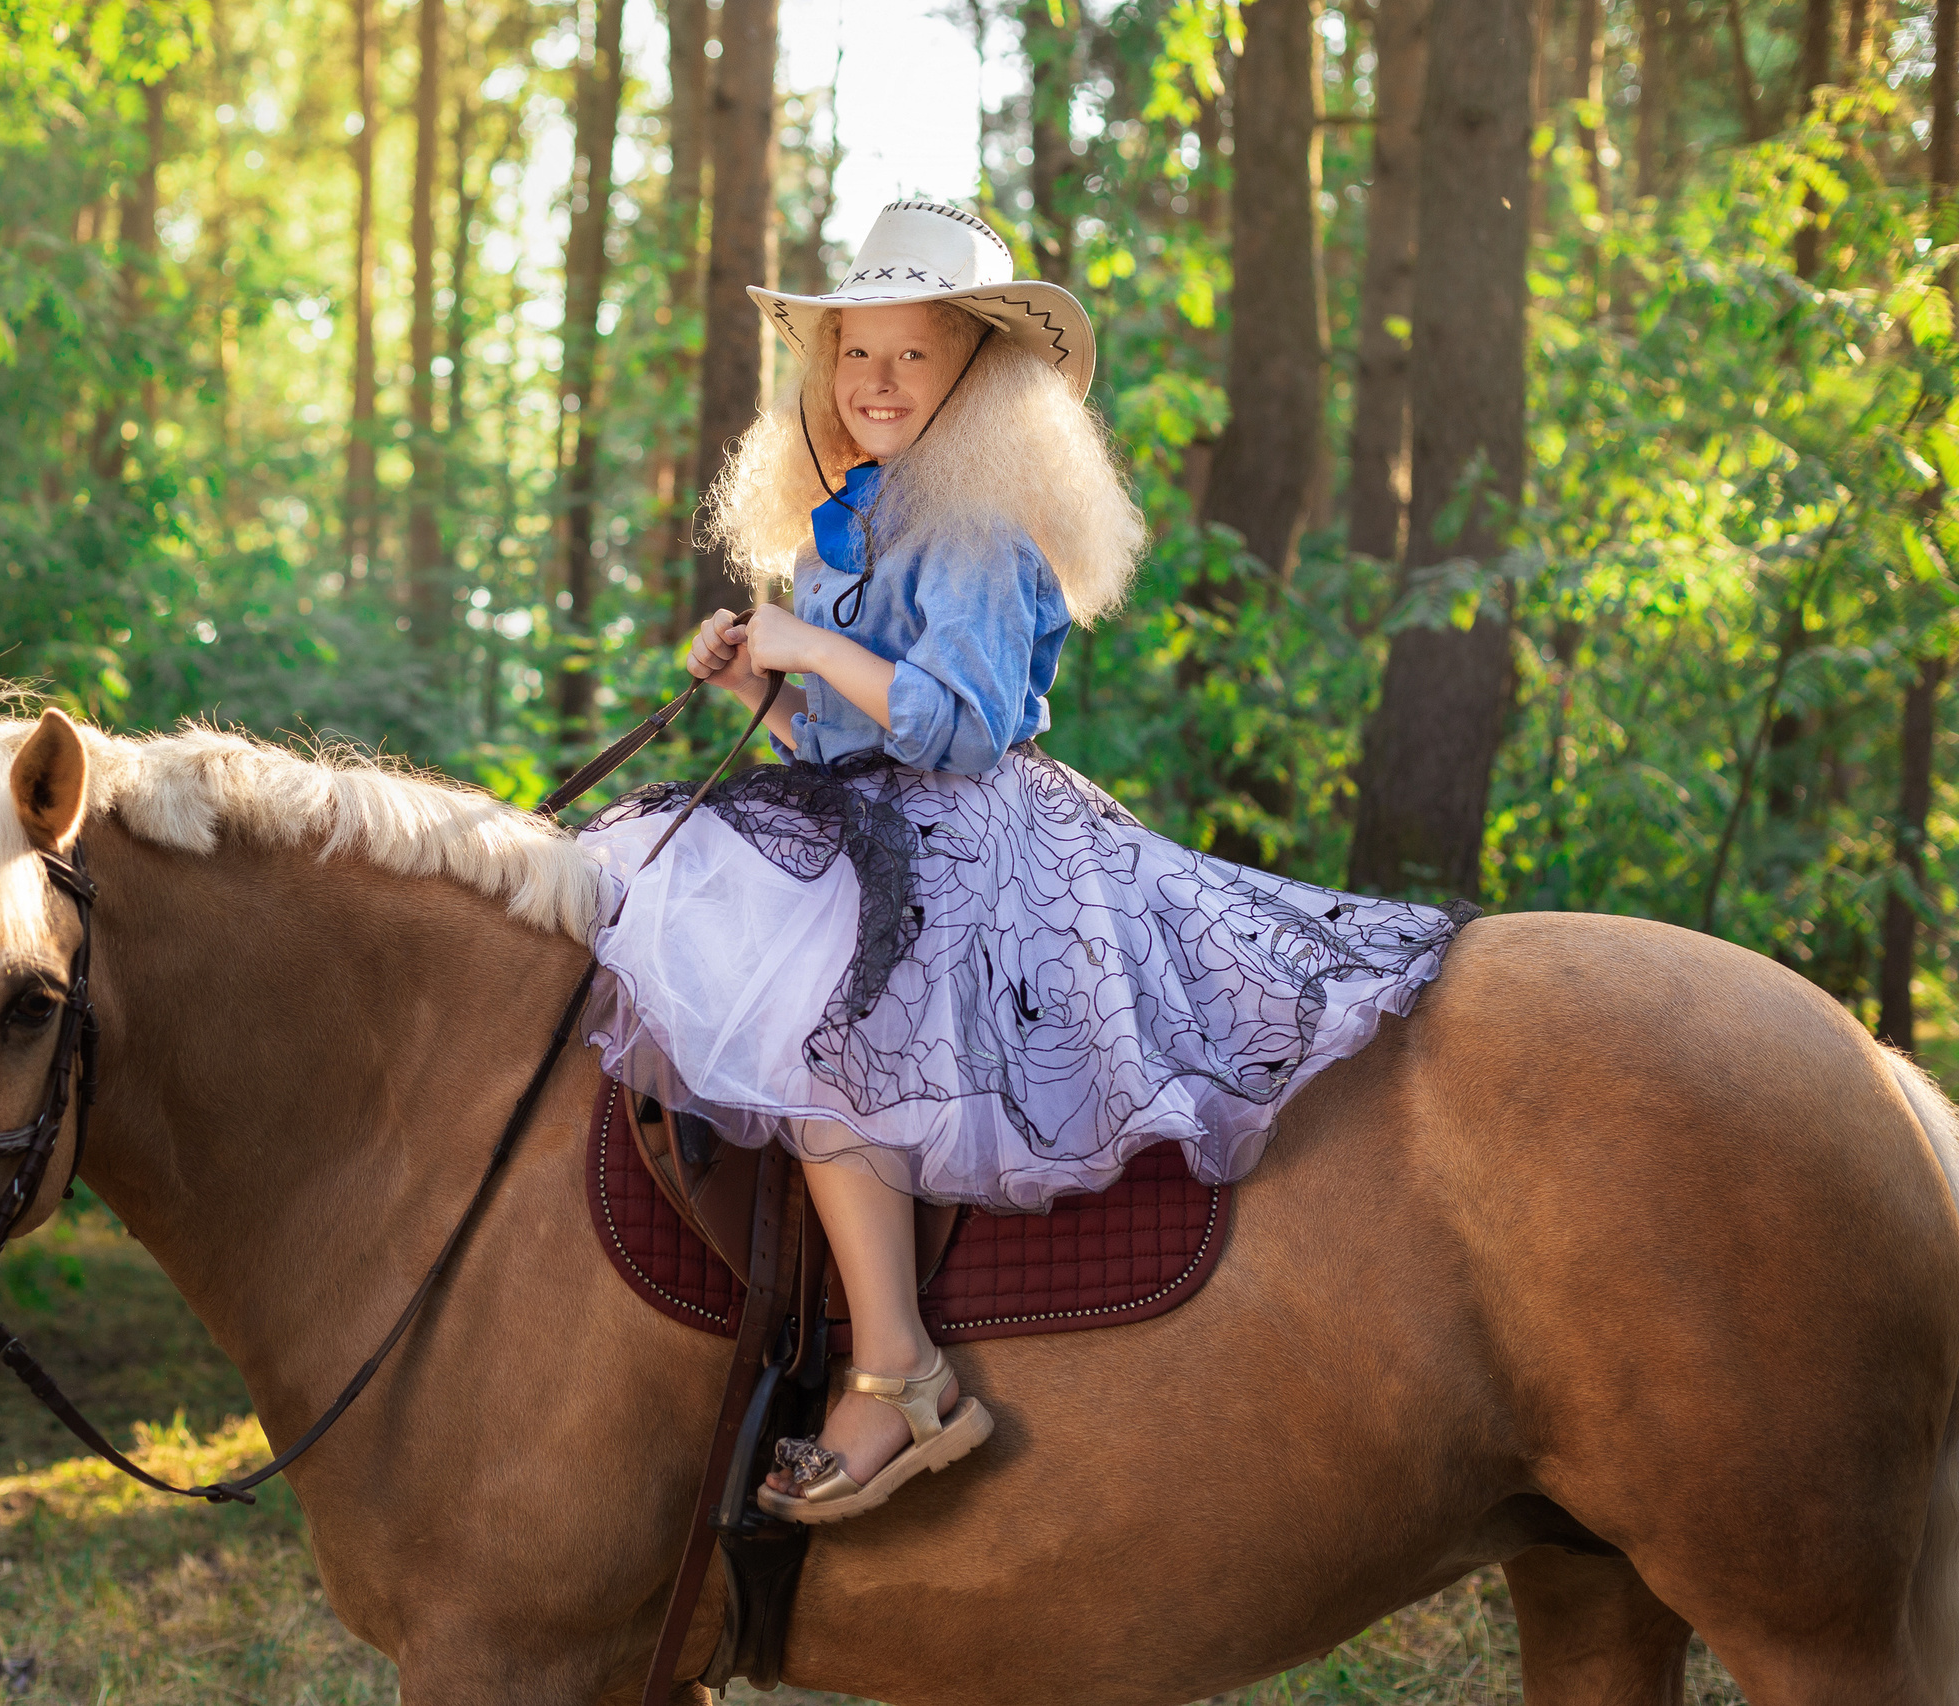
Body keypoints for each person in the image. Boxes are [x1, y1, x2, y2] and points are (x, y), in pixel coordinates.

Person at [578, 201, 1471, 1524]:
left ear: (977, 377)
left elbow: (961, 724)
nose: (876, 384)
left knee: (820, 1036)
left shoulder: (979, 528)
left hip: (965, 832)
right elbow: (834, 730)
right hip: (857, 818)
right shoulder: (857, 518)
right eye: (855, 357)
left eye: (912, 357)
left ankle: (900, 1371)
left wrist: (812, 649)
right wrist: (753, 679)